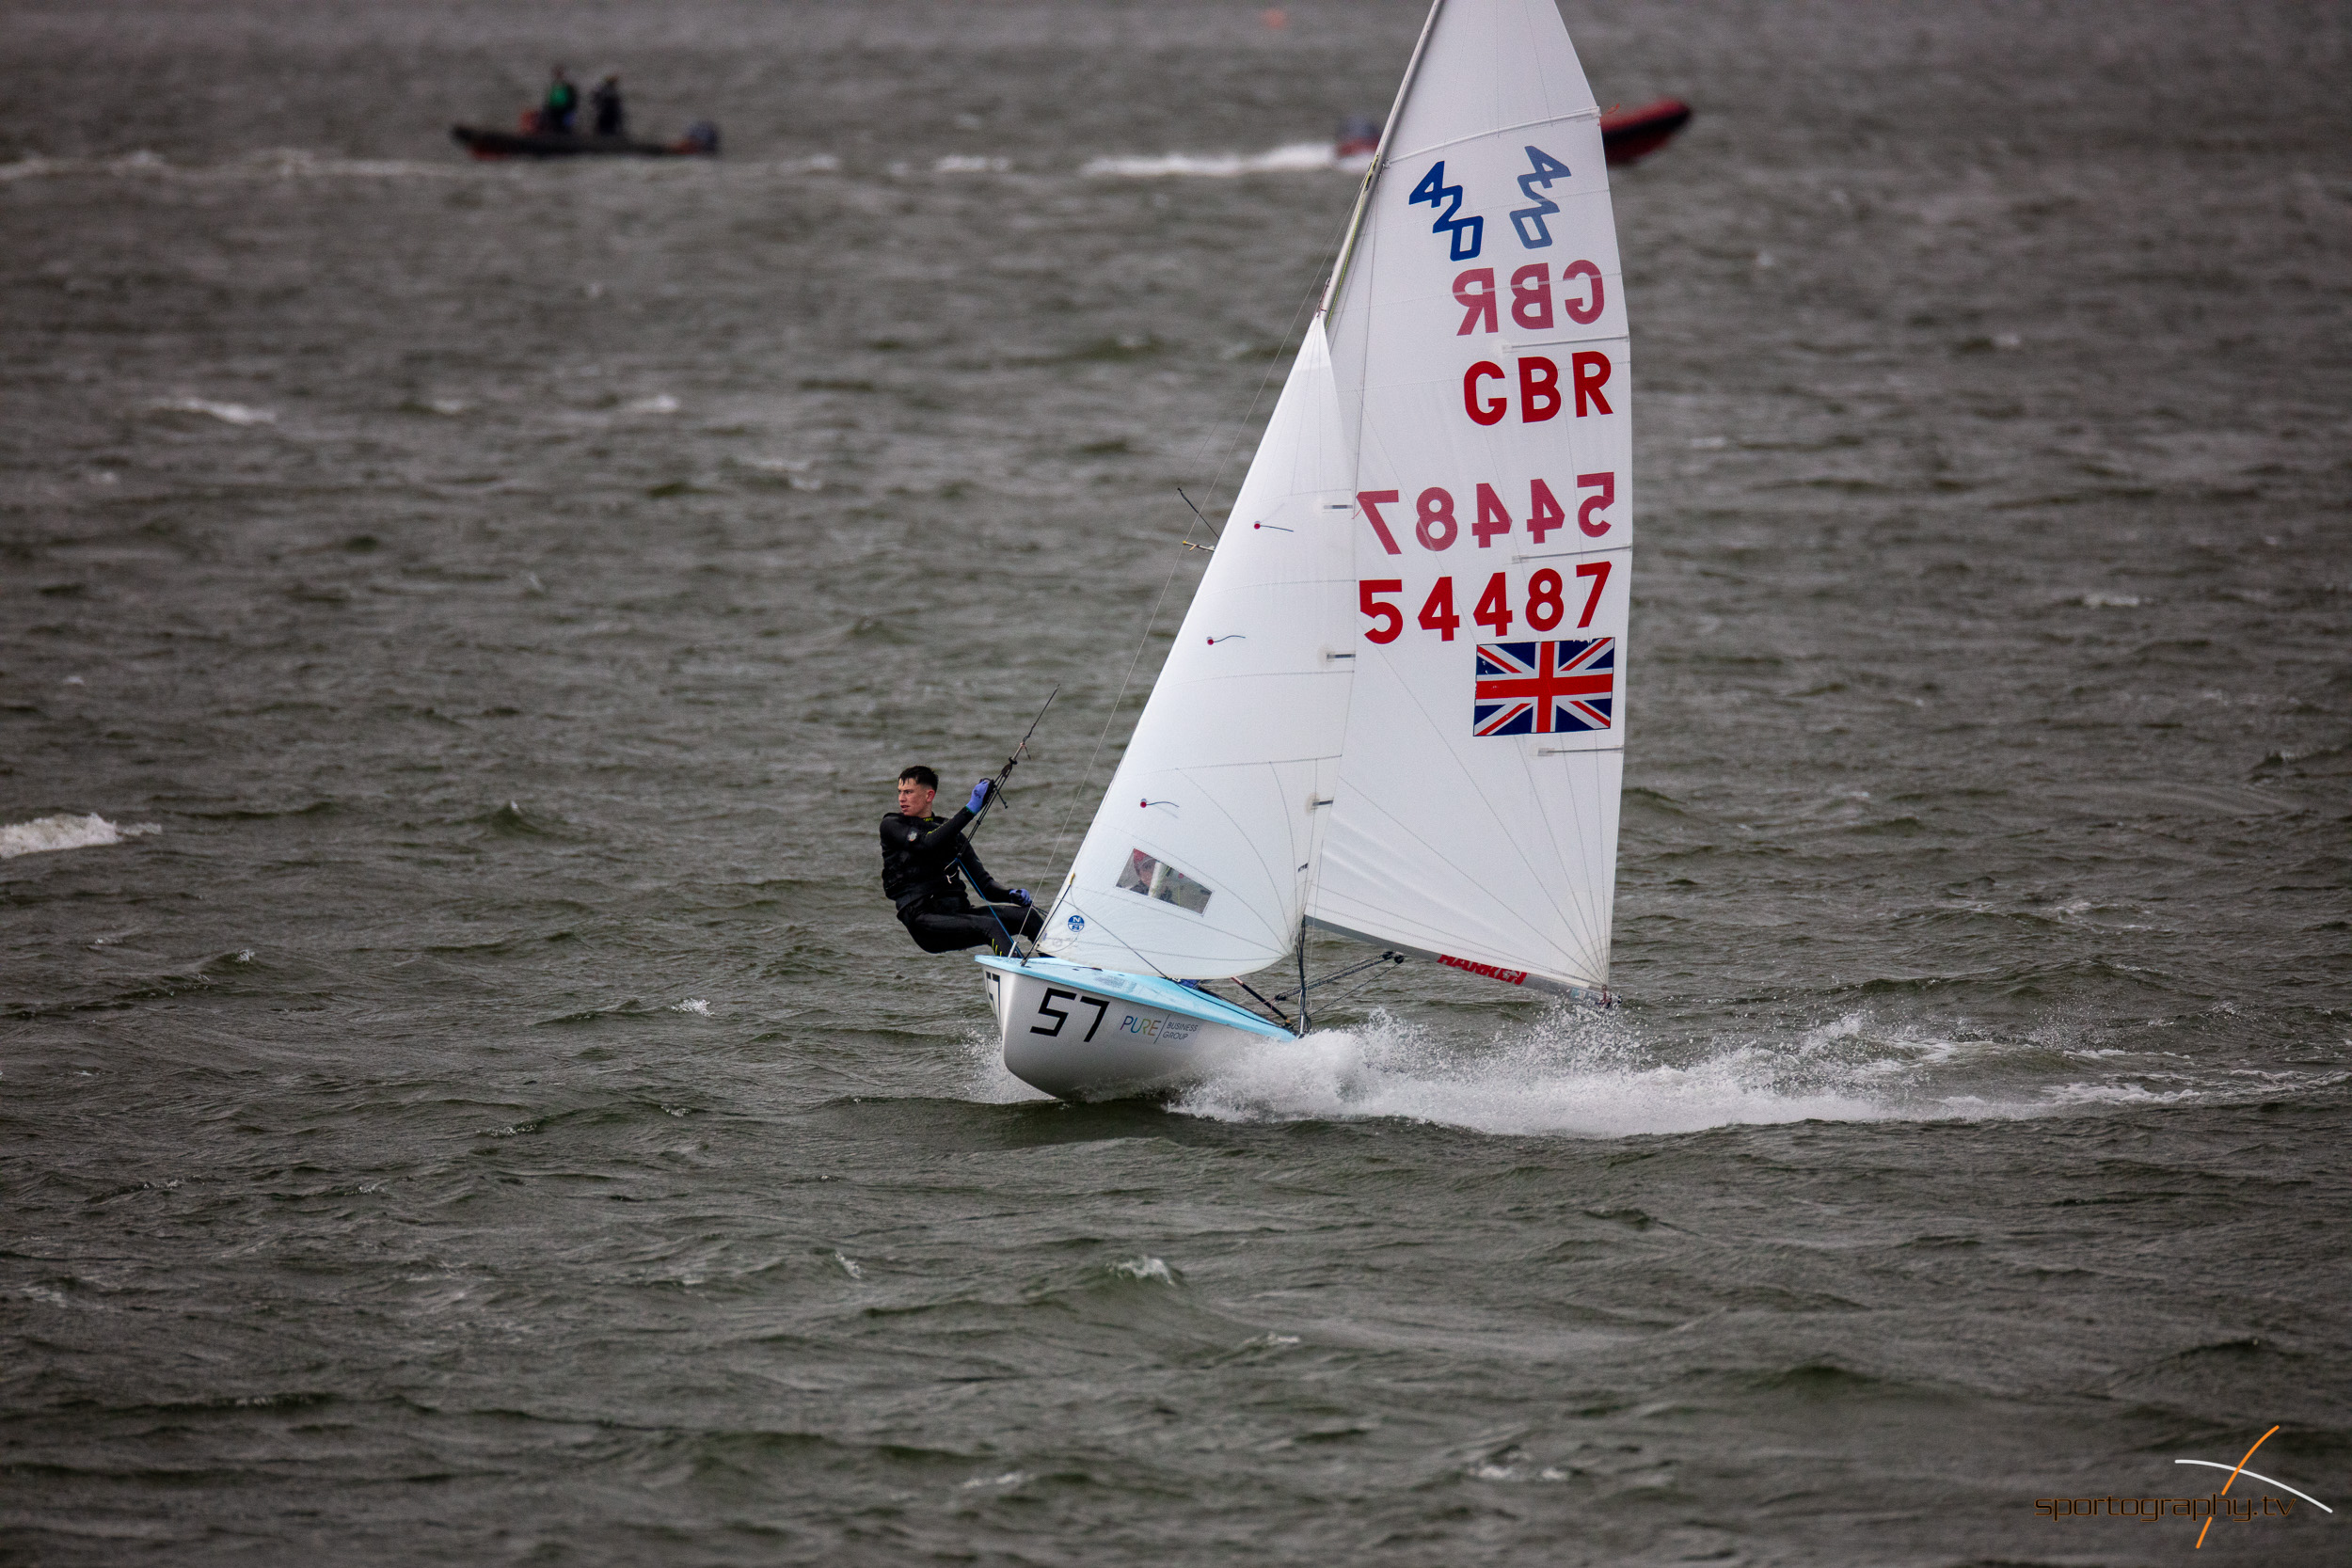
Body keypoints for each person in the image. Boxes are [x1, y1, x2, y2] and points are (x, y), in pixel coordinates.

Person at [882, 766, 1044, 955]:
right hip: (923, 920)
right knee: (990, 926)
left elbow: (985, 887)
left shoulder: (952, 835)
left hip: (958, 914)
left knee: (1028, 917)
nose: (902, 798)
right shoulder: (892, 825)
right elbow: (927, 843)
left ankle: (1061, 972)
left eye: (908, 792)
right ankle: (1018, 977)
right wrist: (971, 808)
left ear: (929, 795)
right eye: (900, 792)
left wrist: (1010, 894)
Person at [540, 66, 580, 135]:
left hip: (565, 108)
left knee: (565, 125)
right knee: (555, 124)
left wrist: (571, 106)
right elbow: (550, 97)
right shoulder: (553, 85)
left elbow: (573, 96)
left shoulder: (567, 86)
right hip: (554, 107)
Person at [590, 73, 625, 138]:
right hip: (605, 110)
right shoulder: (604, 89)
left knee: (610, 125)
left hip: (610, 111)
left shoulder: (612, 90)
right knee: (605, 125)